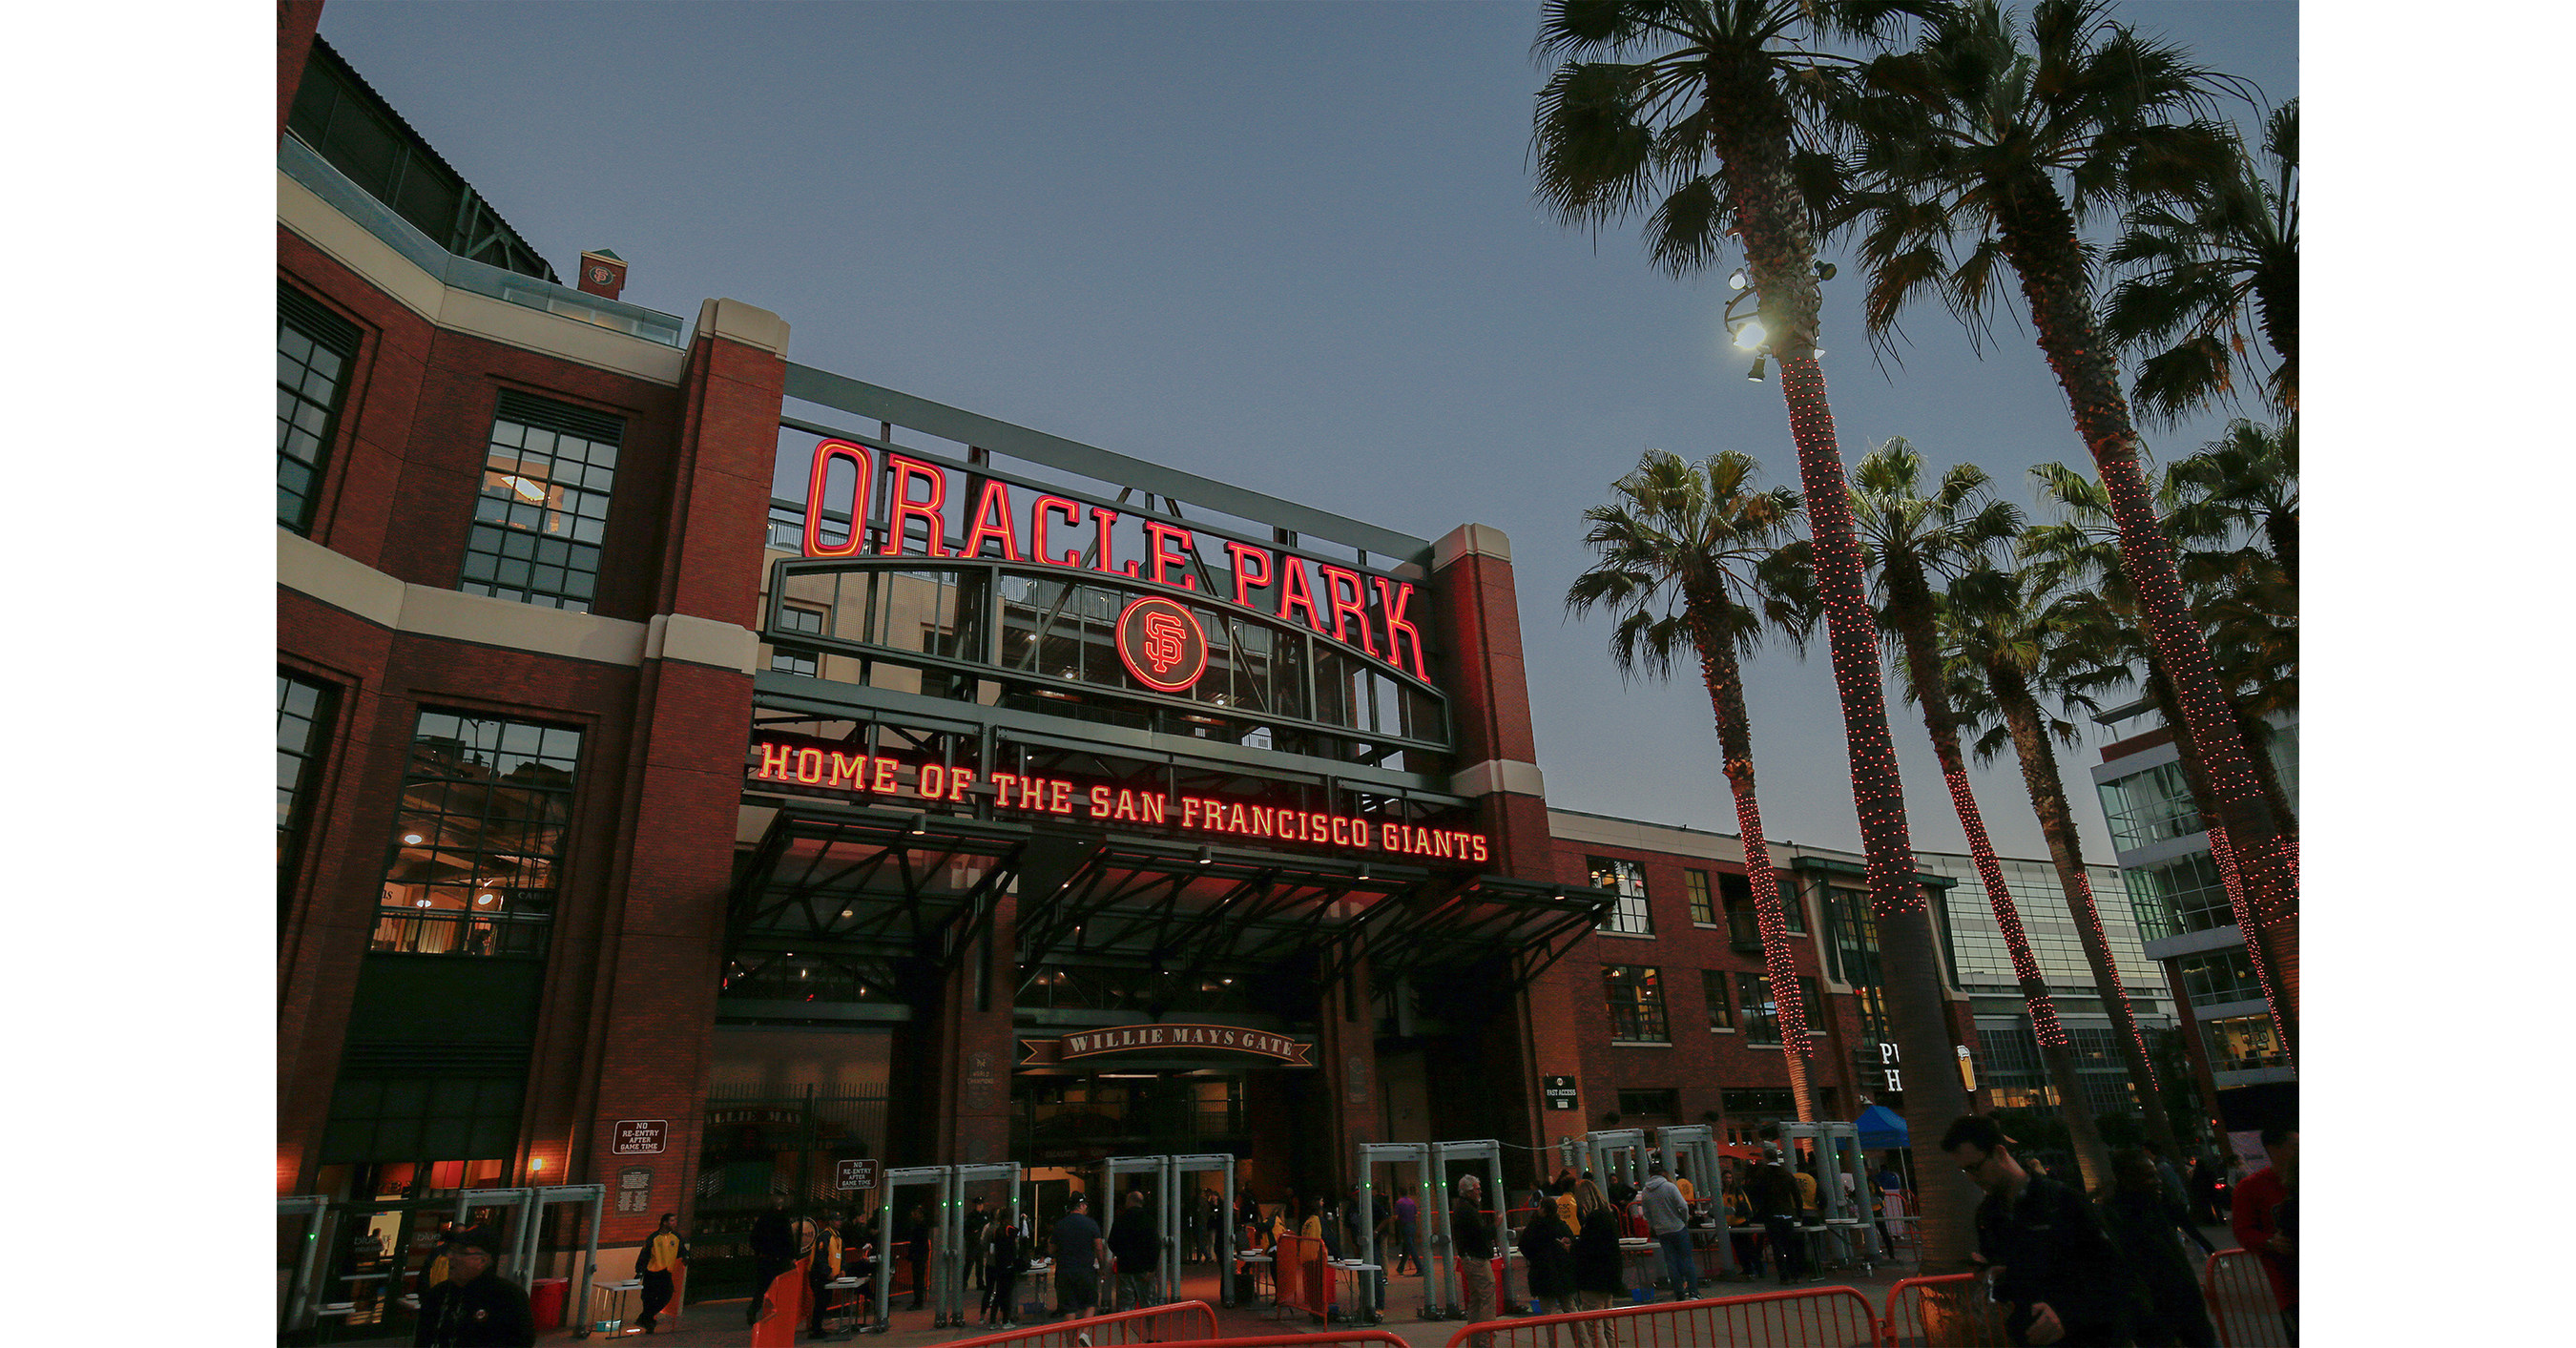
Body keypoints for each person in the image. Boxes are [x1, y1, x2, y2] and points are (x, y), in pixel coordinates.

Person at [1942, 1113, 2145, 1347]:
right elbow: (2010, 1287)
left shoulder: (2063, 1201)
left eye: (1975, 1168)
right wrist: (1991, 1276)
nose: (1972, 1178)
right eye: (1964, 1171)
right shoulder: (1989, 1216)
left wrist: (2066, 1314)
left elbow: (2116, 1274)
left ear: (2000, 1153)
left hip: (2093, 1337)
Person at [2101, 1150, 2216, 1348]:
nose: (2158, 1181)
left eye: (2156, 1175)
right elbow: (2138, 1280)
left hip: (2192, 1322)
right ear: (2127, 1179)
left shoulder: (2156, 1208)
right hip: (2167, 1330)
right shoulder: (2119, 1220)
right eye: (2149, 1176)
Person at [414, 1226, 535, 1347]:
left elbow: (521, 1342)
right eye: (451, 1250)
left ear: (482, 1261)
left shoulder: (507, 1296)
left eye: (460, 1252)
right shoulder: (438, 1294)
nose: (450, 1257)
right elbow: (423, 1339)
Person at [2230, 1128, 2297, 1342]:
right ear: (2273, 1150)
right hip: (2290, 1284)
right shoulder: (2250, 1187)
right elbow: (2243, 1231)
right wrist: (2270, 1242)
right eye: (2295, 1146)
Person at [1570, 1178, 1625, 1348]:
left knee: (1594, 1327)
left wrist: (1572, 1248)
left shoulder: (1593, 1220)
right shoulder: (1607, 1215)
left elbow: (1589, 1249)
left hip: (1593, 1279)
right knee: (1608, 1325)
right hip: (1609, 1277)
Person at [1517, 1188, 1580, 1321]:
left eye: (1539, 1206)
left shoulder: (1534, 1228)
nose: (1537, 1208)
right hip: (1563, 1273)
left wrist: (1533, 1258)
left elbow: (1524, 1245)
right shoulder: (1561, 1226)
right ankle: (1582, 1341)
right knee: (1570, 1309)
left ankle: (1553, 1342)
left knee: (1548, 1313)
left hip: (1542, 1274)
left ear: (1544, 1209)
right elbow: (1572, 1243)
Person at [1638, 1159, 1695, 1302]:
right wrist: (1684, 1219)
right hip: (1677, 1227)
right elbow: (1682, 1205)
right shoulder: (1669, 1187)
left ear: (1650, 1175)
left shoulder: (1646, 1192)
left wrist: (1654, 1225)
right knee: (1686, 1259)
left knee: (1671, 1262)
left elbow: (1647, 1213)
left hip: (1662, 1231)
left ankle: (1679, 1293)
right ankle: (1694, 1292)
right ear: (1662, 1173)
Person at [1746, 1149, 1805, 1285]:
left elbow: (1753, 1192)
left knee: (1777, 1246)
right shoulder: (1787, 1174)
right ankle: (1795, 1274)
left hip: (1772, 1214)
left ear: (1766, 1158)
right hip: (1787, 1213)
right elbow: (1796, 1195)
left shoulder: (1762, 1174)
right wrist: (1799, 1214)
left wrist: (1757, 1209)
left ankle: (1783, 1276)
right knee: (1789, 1246)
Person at [1052, 1192, 1107, 1321]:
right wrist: (1102, 1267)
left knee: (1069, 1308)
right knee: (1090, 1303)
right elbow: (1099, 1248)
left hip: (1065, 1271)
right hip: (1085, 1270)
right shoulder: (1091, 1224)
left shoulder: (1060, 1224)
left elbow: (1051, 1248)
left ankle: (1071, 1341)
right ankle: (1084, 1333)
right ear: (1081, 1205)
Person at [1452, 1173, 1498, 1325]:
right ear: (1469, 1191)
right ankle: (1486, 1339)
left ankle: (1475, 1338)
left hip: (1469, 1258)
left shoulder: (1462, 1208)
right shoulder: (1468, 1210)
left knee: (1476, 1299)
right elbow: (1480, 1234)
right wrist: (1495, 1225)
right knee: (1487, 1297)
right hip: (1477, 1259)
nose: (1480, 1192)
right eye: (1477, 1189)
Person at [634, 1213, 688, 1335]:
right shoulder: (653, 1237)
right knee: (648, 1299)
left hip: (666, 1271)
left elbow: (682, 1250)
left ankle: (644, 1318)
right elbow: (644, 1255)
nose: (674, 1223)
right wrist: (640, 1271)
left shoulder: (676, 1237)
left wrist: (685, 1256)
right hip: (652, 1272)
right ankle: (649, 1324)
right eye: (672, 1221)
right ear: (664, 1222)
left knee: (667, 1295)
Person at [747, 1197, 797, 1328]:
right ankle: (774, 1314)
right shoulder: (783, 1220)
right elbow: (788, 1239)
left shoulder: (763, 1219)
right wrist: (791, 1255)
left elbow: (753, 1238)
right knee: (779, 1287)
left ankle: (753, 1310)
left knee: (761, 1287)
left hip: (765, 1258)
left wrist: (760, 1251)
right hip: (779, 1259)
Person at [1109, 1189, 1161, 1311]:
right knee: (1149, 1306)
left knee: (1125, 1307)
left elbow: (1112, 1242)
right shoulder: (1149, 1219)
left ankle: (1125, 1330)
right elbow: (1156, 1244)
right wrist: (1152, 1267)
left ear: (1130, 1201)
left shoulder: (1121, 1219)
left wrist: (1122, 1255)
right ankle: (1150, 1330)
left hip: (1125, 1268)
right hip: (1145, 1269)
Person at [983, 1203, 1025, 1328]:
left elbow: (992, 1248)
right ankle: (1006, 1320)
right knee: (1007, 1294)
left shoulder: (996, 1231)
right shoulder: (1009, 1230)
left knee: (999, 1293)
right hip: (1008, 1265)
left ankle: (992, 1320)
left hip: (999, 1265)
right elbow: (1018, 1233)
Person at [805, 1213, 844, 1339]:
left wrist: (842, 1269)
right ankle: (816, 1329)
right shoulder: (825, 1236)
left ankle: (817, 1327)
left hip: (828, 1276)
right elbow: (820, 1258)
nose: (839, 1223)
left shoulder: (836, 1237)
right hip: (820, 1276)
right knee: (821, 1302)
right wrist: (828, 1272)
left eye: (840, 1220)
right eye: (837, 1220)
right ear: (831, 1221)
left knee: (824, 1301)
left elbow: (840, 1254)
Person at [1722, 1171, 1762, 1278]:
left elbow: (1742, 1204)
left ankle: (1758, 1268)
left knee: (1748, 1246)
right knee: (1739, 1249)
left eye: (1729, 1178)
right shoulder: (1723, 1192)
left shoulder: (1737, 1191)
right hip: (1731, 1223)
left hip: (1740, 1221)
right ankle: (1747, 1268)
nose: (1728, 1180)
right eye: (1726, 1178)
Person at [899, 1203, 932, 1311]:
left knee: (918, 1278)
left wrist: (912, 1254)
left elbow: (918, 1241)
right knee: (918, 1278)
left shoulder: (920, 1226)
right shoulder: (921, 1225)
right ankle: (918, 1300)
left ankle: (918, 1301)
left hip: (919, 1255)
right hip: (919, 1254)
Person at [1394, 1188, 1421, 1275]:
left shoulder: (1399, 1202)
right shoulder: (1411, 1202)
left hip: (1404, 1225)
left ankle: (1420, 1268)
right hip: (1412, 1225)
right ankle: (1400, 1267)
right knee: (1407, 1246)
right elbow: (1416, 1214)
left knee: (1410, 1247)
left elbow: (1396, 1216)